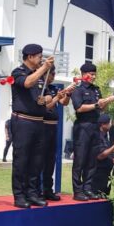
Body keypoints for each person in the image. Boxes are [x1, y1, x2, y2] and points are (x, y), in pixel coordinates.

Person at [11, 43, 54, 209]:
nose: (41, 60)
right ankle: (19, 195)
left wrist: (45, 99)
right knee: (21, 160)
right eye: (39, 57)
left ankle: (32, 193)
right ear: (29, 57)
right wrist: (44, 68)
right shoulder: (18, 72)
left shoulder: (41, 76)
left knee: (37, 161)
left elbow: (49, 96)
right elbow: (28, 83)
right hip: (23, 121)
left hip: (39, 122)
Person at [71, 62, 114, 201]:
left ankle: (87, 188)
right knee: (80, 160)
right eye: (91, 74)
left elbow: (100, 109)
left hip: (95, 127)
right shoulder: (78, 89)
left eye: (94, 74)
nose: (93, 77)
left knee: (92, 160)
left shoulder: (96, 90)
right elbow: (79, 108)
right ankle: (78, 191)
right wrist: (96, 105)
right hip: (83, 126)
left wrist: (106, 101)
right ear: (84, 74)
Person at [41, 66, 75, 201]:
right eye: (51, 73)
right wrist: (56, 98)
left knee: (51, 160)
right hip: (42, 126)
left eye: (55, 73)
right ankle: (36, 190)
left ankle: (48, 189)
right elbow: (44, 107)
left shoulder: (53, 88)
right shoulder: (40, 88)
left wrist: (68, 94)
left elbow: (64, 103)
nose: (53, 76)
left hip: (53, 127)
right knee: (40, 160)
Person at [92, 114, 114, 196]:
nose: (110, 125)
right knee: (98, 196)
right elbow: (100, 156)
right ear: (103, 124)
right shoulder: (98, 137)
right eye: (108, 123)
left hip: (106, 173)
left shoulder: (106, 136)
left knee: (105, 196)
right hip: (98, 174)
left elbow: (108, 151)